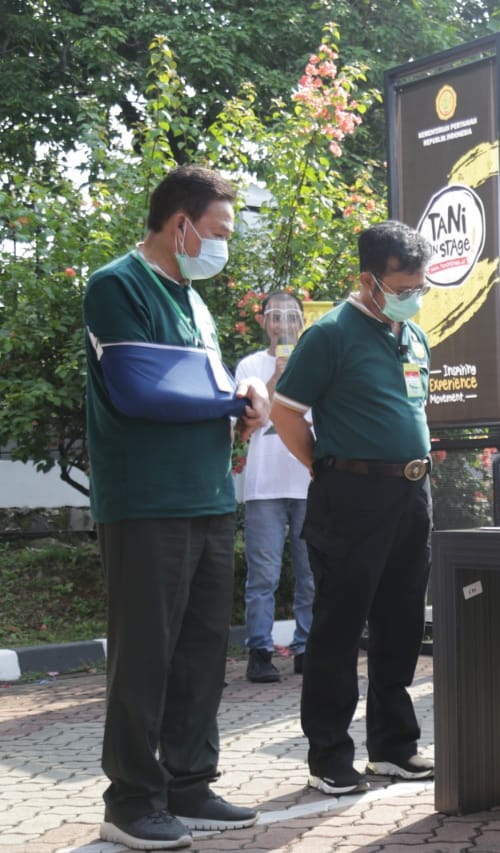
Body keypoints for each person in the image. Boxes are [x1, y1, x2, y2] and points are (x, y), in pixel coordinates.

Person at [84, 165, 266, 850]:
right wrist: (229, 400)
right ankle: (131, 800)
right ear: (180, 223)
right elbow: (139, 390)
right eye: (218, 231)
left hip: (208, 496)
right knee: (145, 654)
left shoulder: (195, 301)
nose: (223, 245)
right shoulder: (117, 285)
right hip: (145, 501)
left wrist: (244, 404)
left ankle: (189, 781)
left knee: (200, 651)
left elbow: (204, 387)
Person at [271, 220, 436, 796]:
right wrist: (324, 466)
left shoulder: (413, 336)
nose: (414, 295)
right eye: (403, 286)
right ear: (368, 280)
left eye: (420, 285)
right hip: (350, 495)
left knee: (402, 622)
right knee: (339, 628)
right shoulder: (331, 334)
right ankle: (330, 755)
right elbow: (285, 412)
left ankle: (393, 748)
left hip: (411, 495)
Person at [234, 291, 315, 682]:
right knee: (263, 575)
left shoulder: (315, 361)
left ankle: (306, 647)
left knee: (310, 573)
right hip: (264, 488)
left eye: (291, 316)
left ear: (302, 321)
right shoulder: (250, 365)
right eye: (276, 316)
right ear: (264, 322)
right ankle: (260, 650)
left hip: (308, 483)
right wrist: (278, 374)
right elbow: (251, 418)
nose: (284, 323)